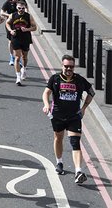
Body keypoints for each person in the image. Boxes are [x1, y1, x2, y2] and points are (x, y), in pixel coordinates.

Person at [42, 54, 95, 184]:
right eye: (66, 66)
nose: (68, 69)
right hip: (58, 115)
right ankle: (59, 162)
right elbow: (46, 93)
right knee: (58, 138)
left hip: (74, 116)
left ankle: (78, 171)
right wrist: (47, 104)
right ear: (62, 66)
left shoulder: (79, 80)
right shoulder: (55, 79)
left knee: (75, 142)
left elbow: (92, 92)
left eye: (71, 67)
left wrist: (84, 108)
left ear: (74, 67)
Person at [6, 0, 37, 86]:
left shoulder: (28, 16)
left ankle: (24, 68)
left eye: (23, 8)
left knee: (25, 57)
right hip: (16, 38)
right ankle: (18, 77)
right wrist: (11, 30)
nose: (21, 10)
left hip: (25, 38)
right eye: (19, 8)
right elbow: (7, 23)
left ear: (25, 8)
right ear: (16, 7)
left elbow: (35, 27)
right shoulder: (13, 15)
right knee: (17, 57)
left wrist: (27, 29)